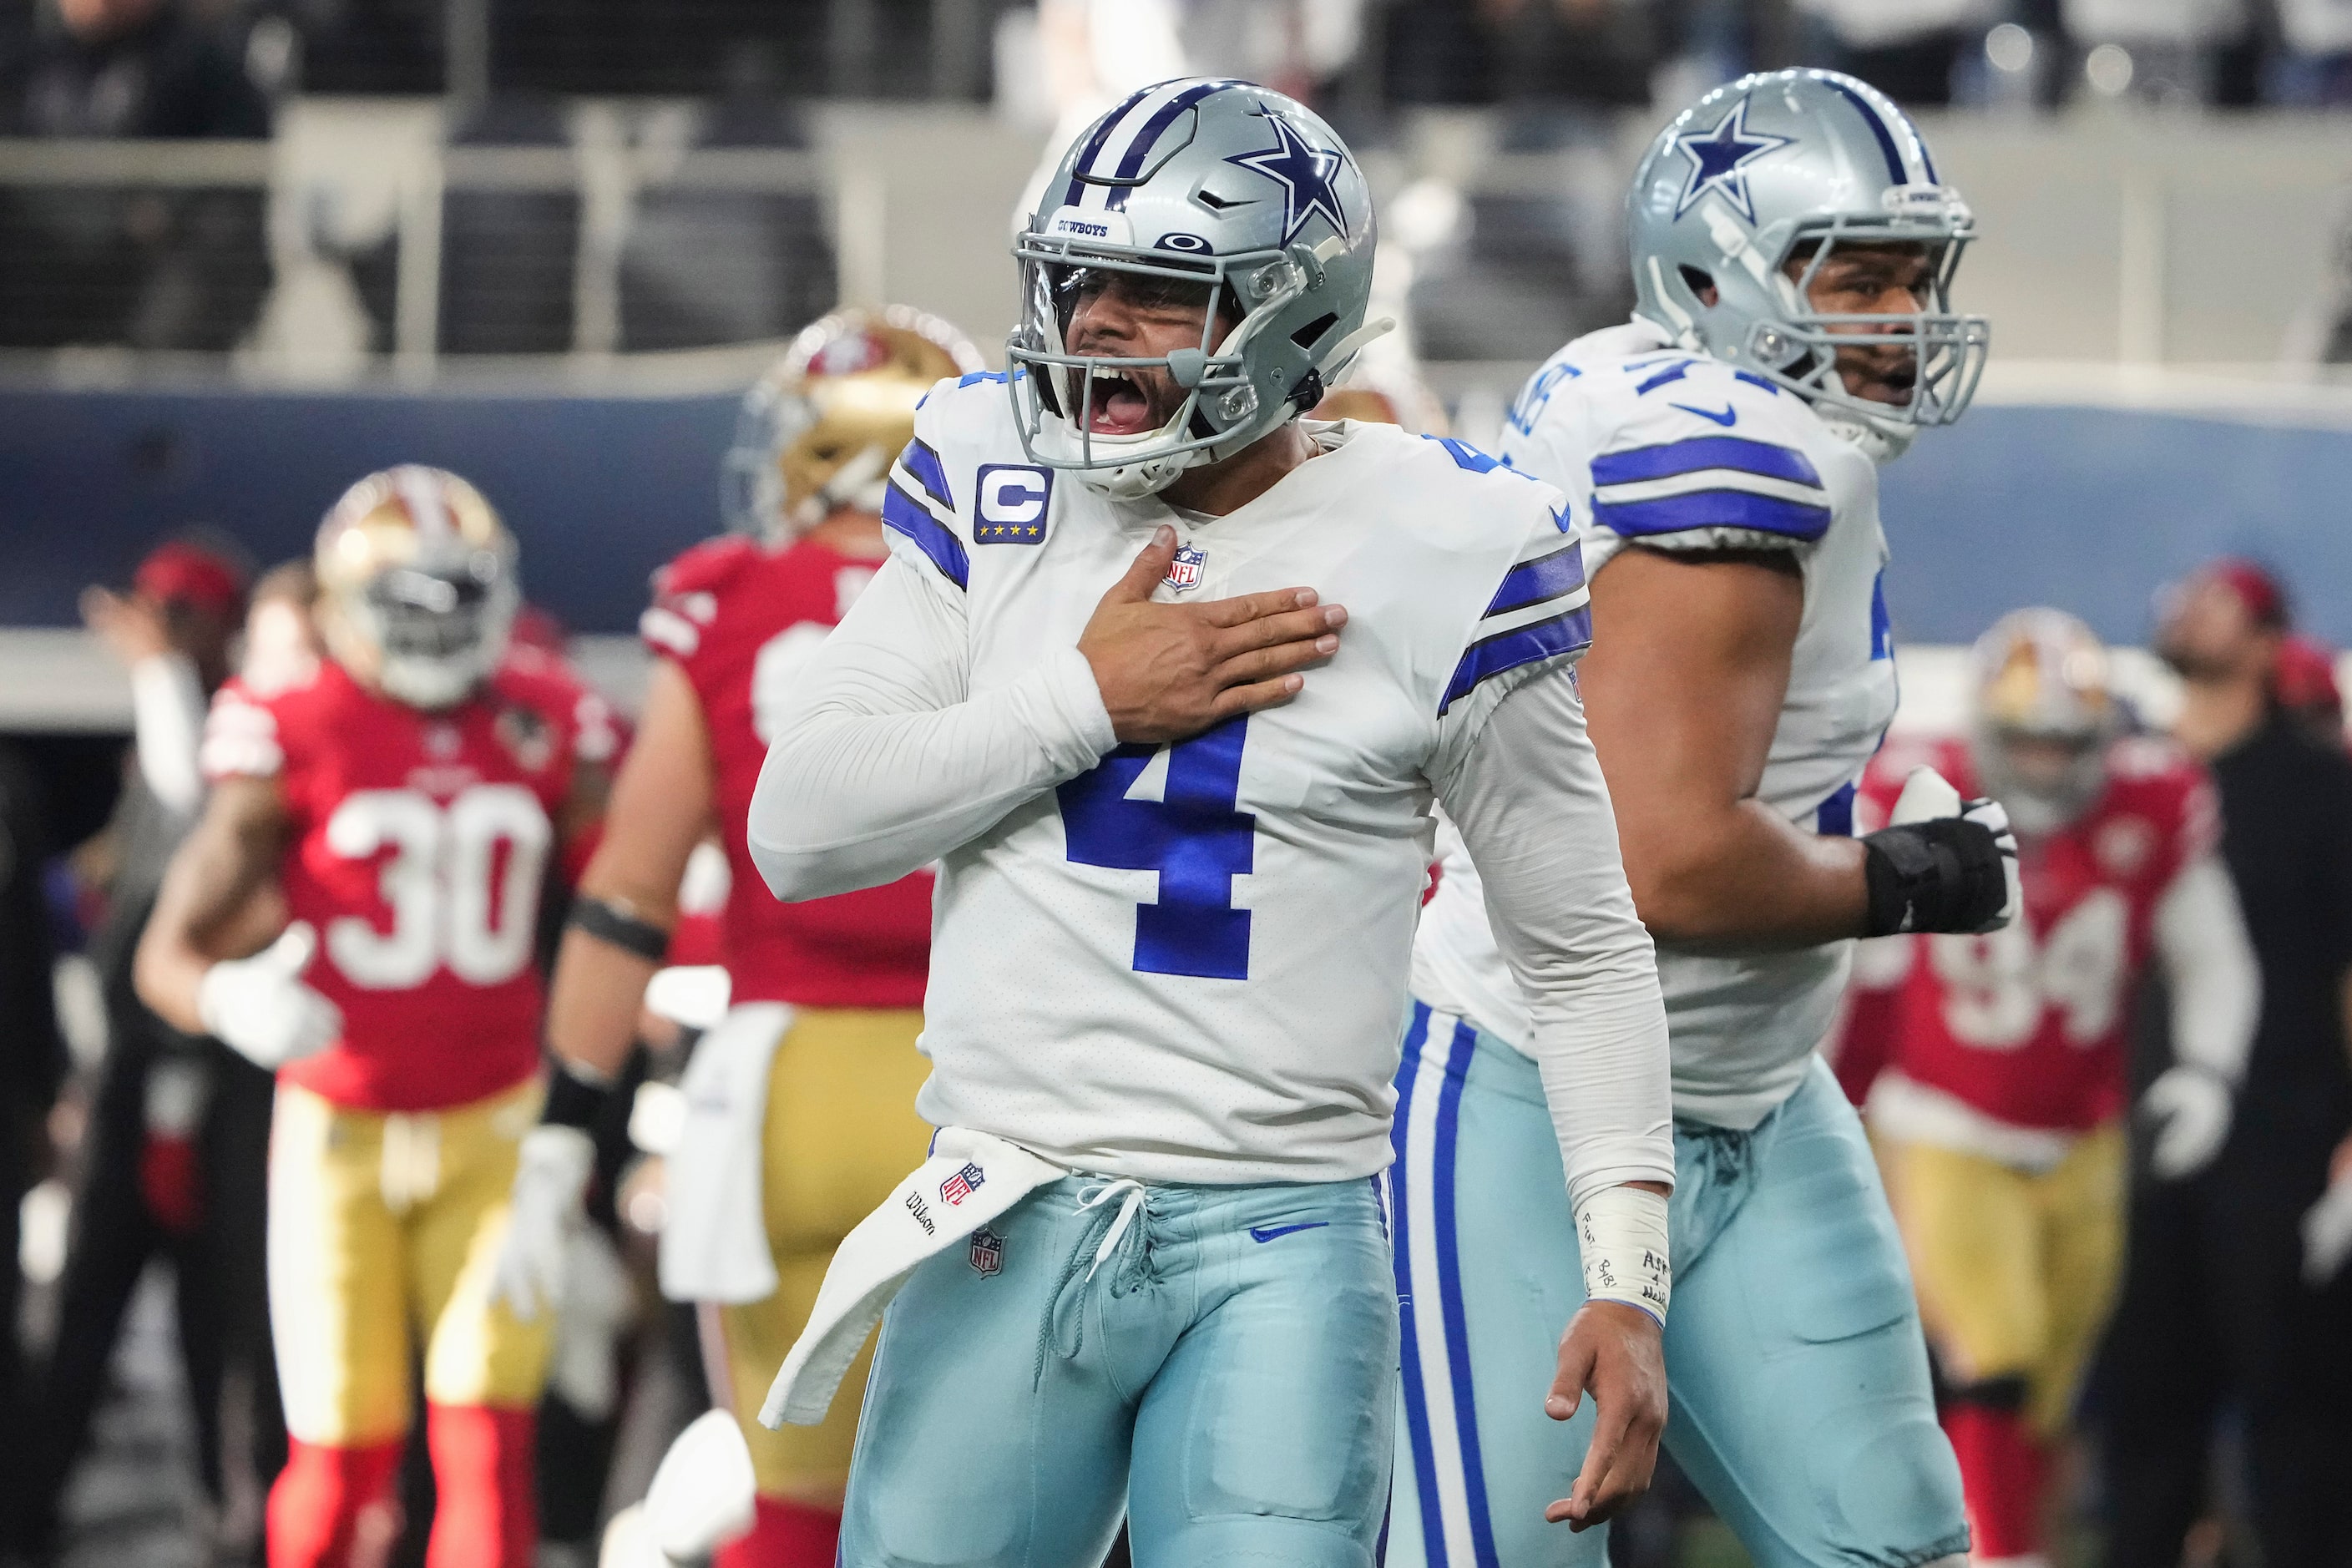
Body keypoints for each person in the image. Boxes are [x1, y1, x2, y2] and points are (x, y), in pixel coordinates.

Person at [742, 78, 1677, 1567]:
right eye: (1072, 280)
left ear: (1293, 319)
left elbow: (1577, 948)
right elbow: (798, 825)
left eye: (1154, 290)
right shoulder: (993, 465)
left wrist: (1628, 1273)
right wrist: (1085, 700)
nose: (1093, 323)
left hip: (1281, 1239)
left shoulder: (1452, 541)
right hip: (1007, 1194)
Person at [1399, 68, 2018, 1568]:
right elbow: (1661, 857)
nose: (1900, 315)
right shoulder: (1741, 469)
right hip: (1528, 1096)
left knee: (1896, 1541)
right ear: (1708, 276)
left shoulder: (1642, 382)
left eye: (1914, 273)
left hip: (1758, 1089)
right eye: (1854, 276)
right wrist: (1907, 876)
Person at [489, 305, 983, 1568]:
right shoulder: (1021, 595)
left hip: (781, 1090)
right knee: (995, 1505)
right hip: (984, 1085)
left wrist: (558, 1139)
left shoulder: (725, 601)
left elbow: (627, 894)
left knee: (792, 1508)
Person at [132, 468, 614, 1568]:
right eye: (413, 598)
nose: (440, 625)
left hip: (499, 1129)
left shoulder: (546, 716)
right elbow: (166, 951)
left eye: (460, 593)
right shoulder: (294, 724)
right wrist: (224, 995)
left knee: (488, 1449)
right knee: (339, 1462)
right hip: (337, 1136)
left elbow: (625, 907)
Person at [1838, 609, 2258, 1568]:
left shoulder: (2149, 805)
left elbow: (2214, 958)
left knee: (2053, 1389)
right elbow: (1855, 964)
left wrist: (2208, 1073)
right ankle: (1998, 1557)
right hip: (1944, 1118)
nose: (2043, 761)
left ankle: (2003, 1540)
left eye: (2065, 740)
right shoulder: (1923, 792)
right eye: (2025, 736)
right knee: (1996, 1349)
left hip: (2084, 1132)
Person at [22, 537, 288, 1563]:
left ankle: (236, 1516)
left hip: (211, 1073)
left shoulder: (248, 744)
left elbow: (196, 801)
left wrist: (164, 676)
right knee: (95, 1302)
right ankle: (36, 1508)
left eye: (183, 618)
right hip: (145, 1067)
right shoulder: (188, 743)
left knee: (220, 1317)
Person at [2095, 559, 2352, 1568]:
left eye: (2218, 601)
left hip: (2282, 1147)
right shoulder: (2123, 777)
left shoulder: (2316, 785)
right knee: (2144, 1420)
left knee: (2300, 1426)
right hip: (2141, 1147)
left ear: (2261, 640)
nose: (2184, 606)